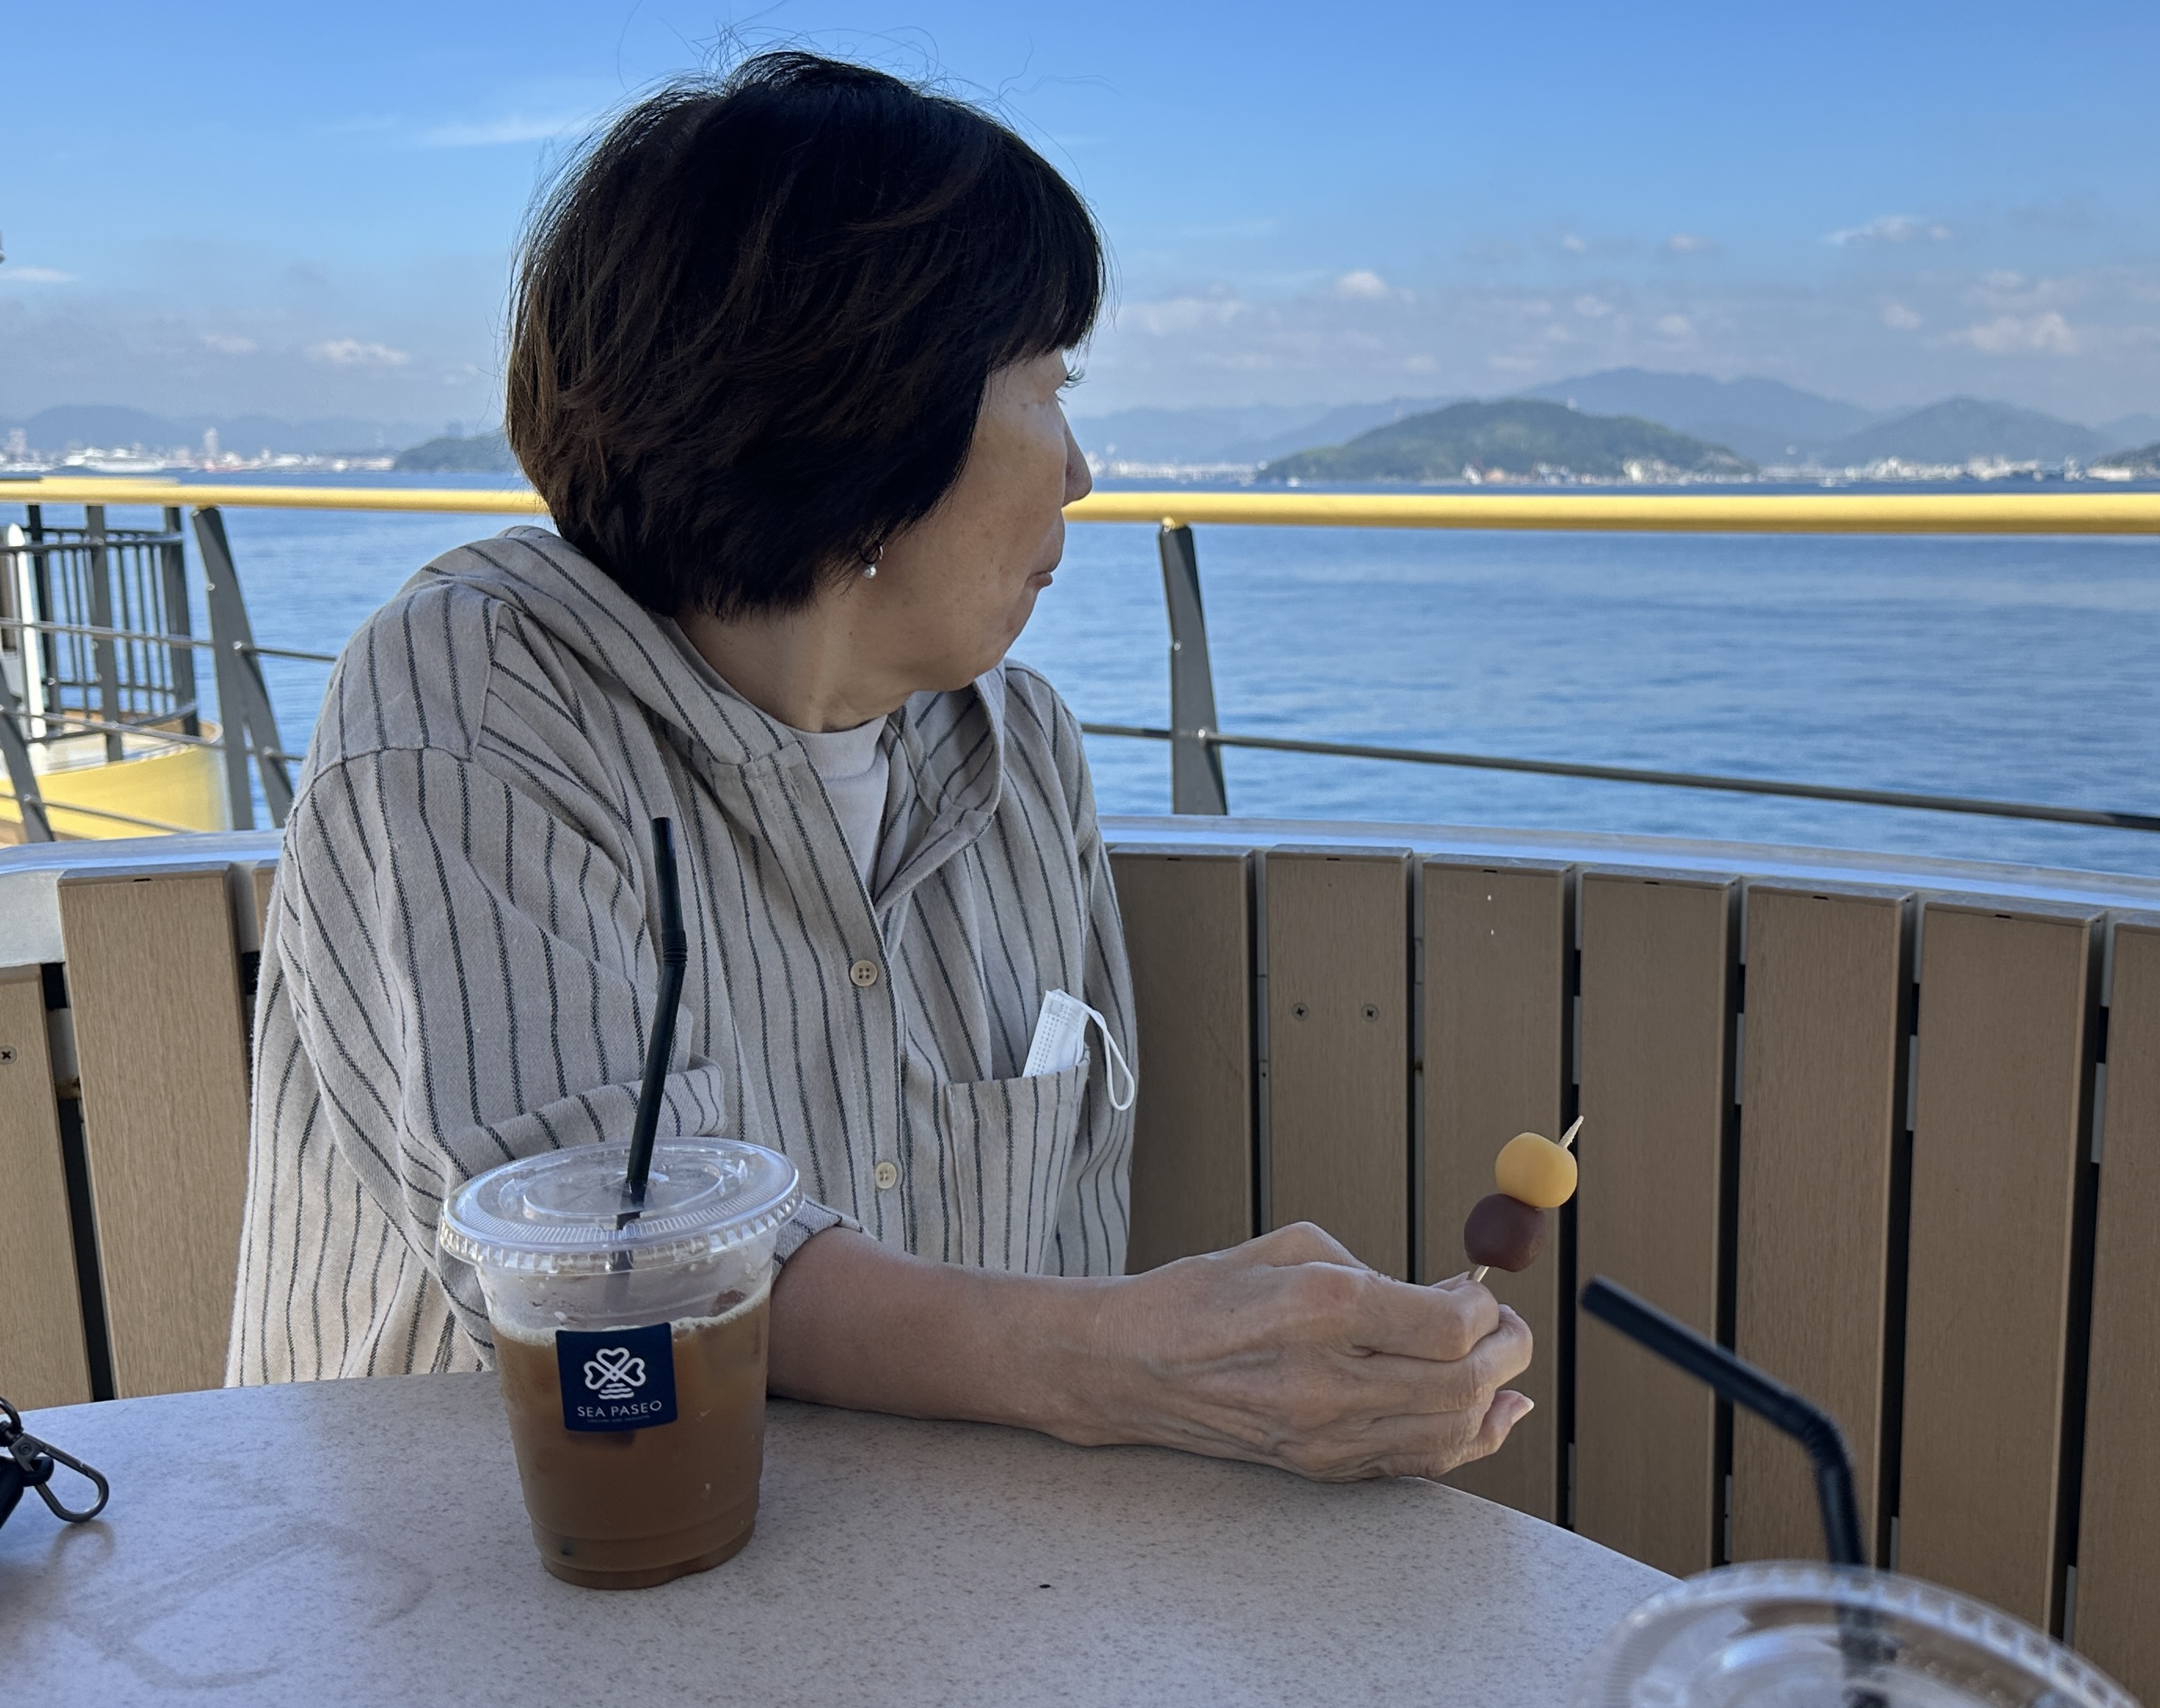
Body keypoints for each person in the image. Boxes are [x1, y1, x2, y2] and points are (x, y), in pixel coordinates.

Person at [228, 53, 1532, 1483]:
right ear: (868, 413)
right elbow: (600, 1269)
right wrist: (1132, 1361)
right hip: (484, 1590)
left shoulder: (1019, 749)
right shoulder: (476, 694)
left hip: (948, 1612)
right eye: (1045, 384)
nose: (1082, 469)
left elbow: (1070, 1238)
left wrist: (1220, 1371)